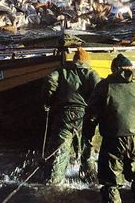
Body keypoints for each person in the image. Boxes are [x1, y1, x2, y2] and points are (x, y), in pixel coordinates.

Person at [83, 54, 135, 203]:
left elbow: (92, 113)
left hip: (113, 137)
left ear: (114, 69)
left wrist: (88, 133)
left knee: (110, 181)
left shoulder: (105, 85)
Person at [41, 47, 101, 185]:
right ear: (87, 61)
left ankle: (54, 183)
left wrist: (48, 101)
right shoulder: (91, 74)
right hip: (84, 117)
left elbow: (50, 80)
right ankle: (90, 181)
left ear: (74, 59)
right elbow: (100, 92)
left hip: (64, 116)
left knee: (60, 151)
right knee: (87, 150)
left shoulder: (61, 71)